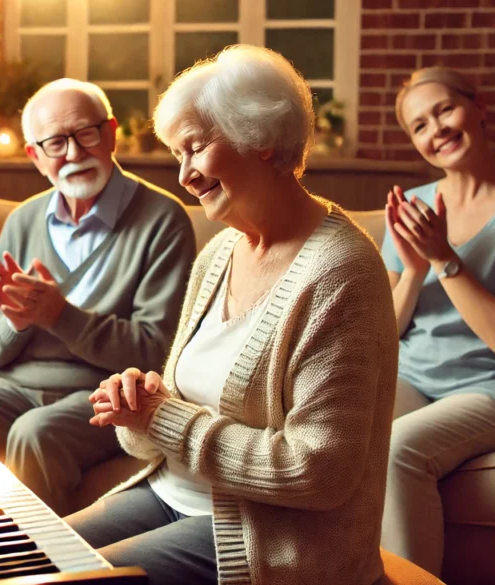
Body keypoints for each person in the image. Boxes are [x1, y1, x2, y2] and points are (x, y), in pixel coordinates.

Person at [69, 45, 398, 585]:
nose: (185, 176)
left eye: (195, 149)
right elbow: (175, 411)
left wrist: (164, 419)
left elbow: (320, 470)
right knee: (24, 551)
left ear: (262, 138)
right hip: (170, 493)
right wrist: (138, 410)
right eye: (178, 155)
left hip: (274, 537)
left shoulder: (342, 271)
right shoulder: (218, 253)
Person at [0, 78, 195, 516]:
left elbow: (158, 351)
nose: (73, 153)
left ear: (110, 133)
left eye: (85, 134)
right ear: (35, 156)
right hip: (16, 385)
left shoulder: (162, 220)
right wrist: (16, 322)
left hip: (104, 394)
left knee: (35, 433)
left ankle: (37, 571)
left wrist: (59, 316)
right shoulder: (23, 220)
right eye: (55, 142)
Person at [380, 66, 495, 577]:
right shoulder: (414, 205)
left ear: (478, 107)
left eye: (444, 110)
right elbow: (386, 335)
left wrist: (443, 257)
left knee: (397, 449)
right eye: (419, 125)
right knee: (333, 417)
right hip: (413, 376)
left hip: (493, 389)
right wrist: (414, 273)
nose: (435, 129)